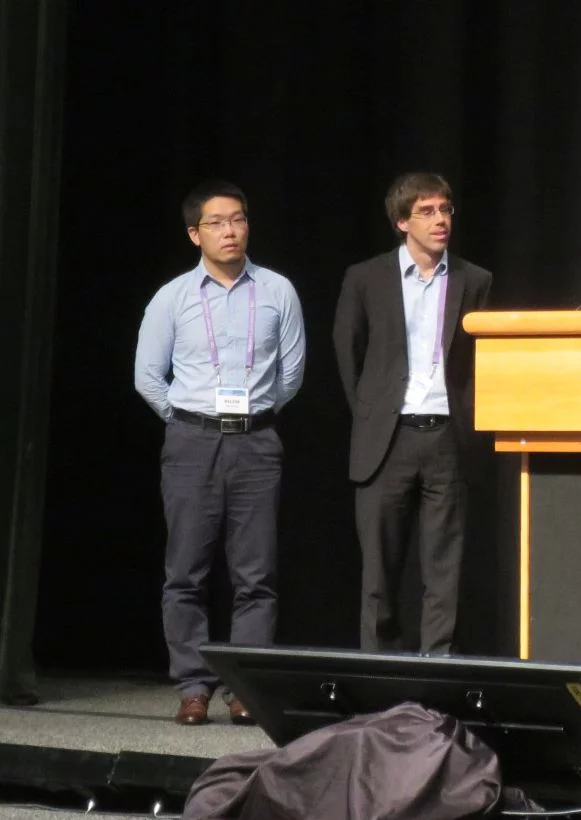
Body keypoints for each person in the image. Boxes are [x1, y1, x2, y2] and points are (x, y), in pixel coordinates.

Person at [134, 180, 306, 725]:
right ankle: (193, 685)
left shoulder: (278, 290)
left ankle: (244, 687)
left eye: (238, 219)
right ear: (195, 234)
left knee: (256, 574)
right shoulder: (172, 297)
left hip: (256, 440)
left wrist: (250, 417)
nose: (230, 231)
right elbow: (147, 376)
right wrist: (191, 420)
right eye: (216, 222)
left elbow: (291, 375)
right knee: (186, 571)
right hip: (192, 441)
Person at [333, 172, 491, 654]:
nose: (441, 220)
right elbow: (348, 350)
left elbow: (481, 361)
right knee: (380, 570)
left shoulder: (474, 280)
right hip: (389, 438)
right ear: (402, 222)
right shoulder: (365, 278)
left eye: (445, 209)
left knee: (444, 569)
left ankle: (438, 665)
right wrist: (372, 414)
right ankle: (380, 670)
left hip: (447, 437)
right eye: (426, 212)